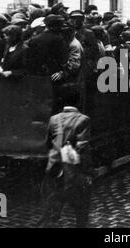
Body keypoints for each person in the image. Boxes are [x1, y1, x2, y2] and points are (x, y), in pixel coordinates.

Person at [38, 83, 92, 228]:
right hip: (74, 174)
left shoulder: (53, 119)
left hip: (56, 173)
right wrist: (88, 173)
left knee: (52, 212)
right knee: (81, 212)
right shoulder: (83, 120)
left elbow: (48, 145)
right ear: (78, 100)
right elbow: (83, 149)